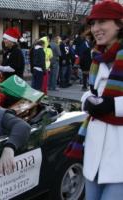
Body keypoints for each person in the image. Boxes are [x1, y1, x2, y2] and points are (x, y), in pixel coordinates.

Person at [73, 1, 123, 200]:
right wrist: (89, 100)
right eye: (93, 23)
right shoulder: (98, 58)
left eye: (102, 22)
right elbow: (90, 91)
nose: (95, 29)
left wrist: (113, 105)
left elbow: (106, 101)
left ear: (119, 24)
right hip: (94, 151)